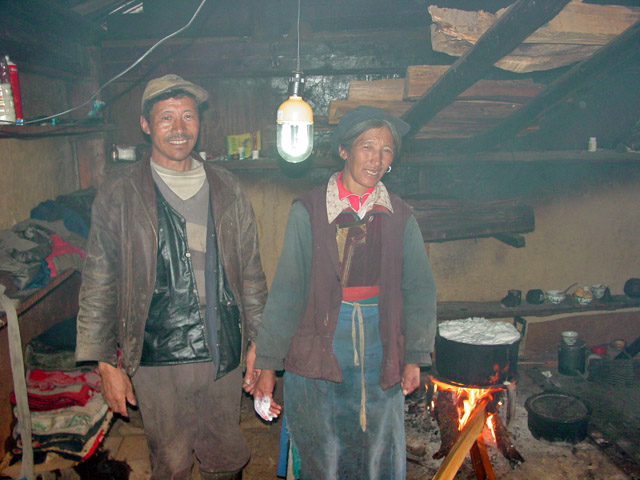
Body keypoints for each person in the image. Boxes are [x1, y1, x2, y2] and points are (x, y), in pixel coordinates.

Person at [75, 74, 267, 480]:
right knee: (172, 460)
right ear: (146, 125)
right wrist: (106, 362)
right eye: (165, 118)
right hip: (156, 351)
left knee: (226, 454)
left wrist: (258, 341)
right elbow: (98, 282)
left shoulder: (227, 187)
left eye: (187, 116)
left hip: (223, 344)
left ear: (199, 121)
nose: (179, 128)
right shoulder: (120, 193)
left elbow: (250, 272)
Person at [252, 105, 437, 479]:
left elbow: (419, 288)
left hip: (380, 341)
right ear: (343, 150)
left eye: (386, 151)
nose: (377, 159)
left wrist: (414, 355)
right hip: (319, 340)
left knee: (377, 445)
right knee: (322, 446)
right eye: (367, 146)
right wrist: (268, 364)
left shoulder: (400, 215)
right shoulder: (308, 210)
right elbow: (287, 291)